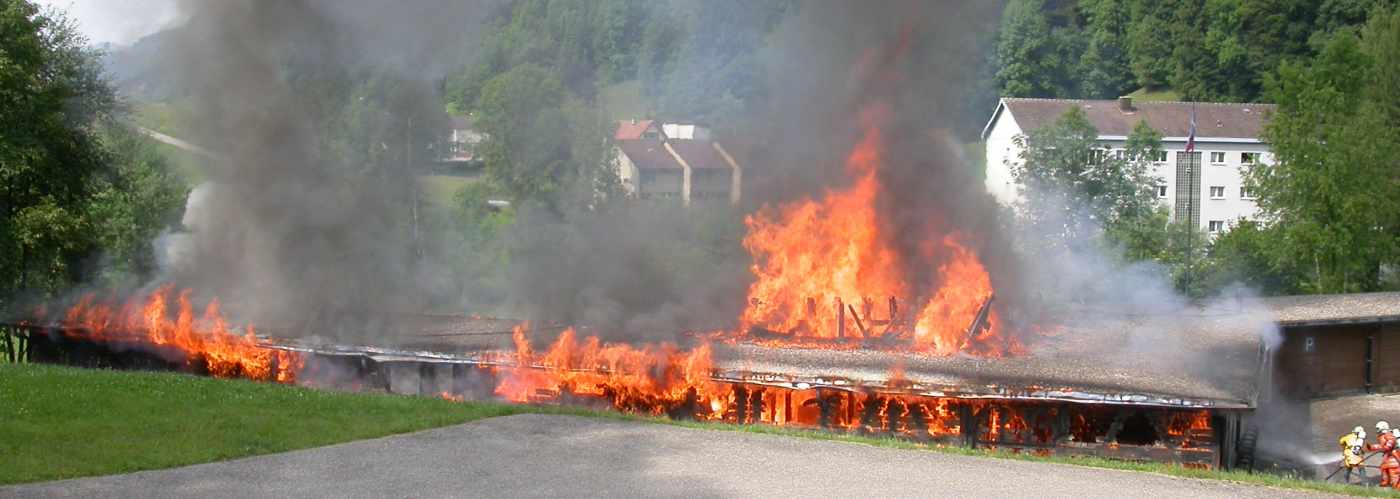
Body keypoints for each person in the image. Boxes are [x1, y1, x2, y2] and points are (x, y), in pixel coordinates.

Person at [1370, 421, 1400, 488]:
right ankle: (1386, 483)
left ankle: (1396, 487)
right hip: (1388, 456)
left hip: (1393, 456)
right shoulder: (1383, 436)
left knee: (1393, 471)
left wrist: (1387, 447)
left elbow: (1391, 442)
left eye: (1378, 428)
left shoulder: (1388, 435)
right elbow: (1382, 446)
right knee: (1384, 468)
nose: (1377, 430)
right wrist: (1372, 447)